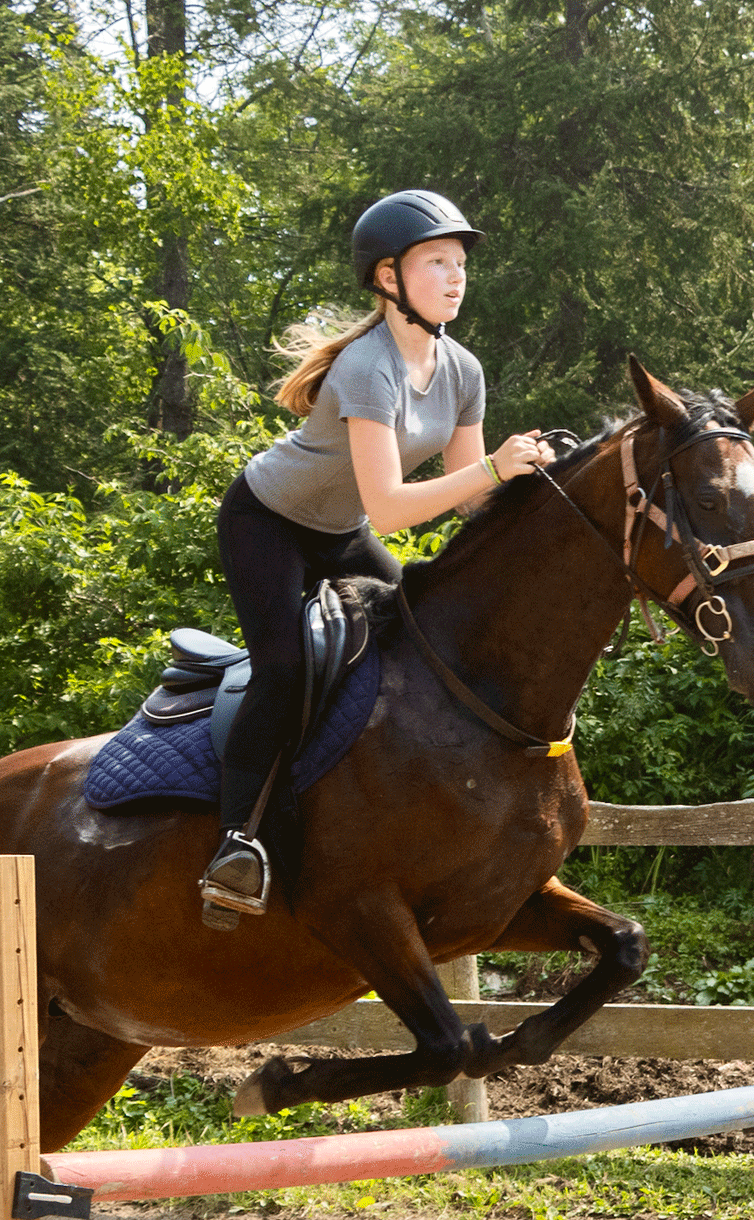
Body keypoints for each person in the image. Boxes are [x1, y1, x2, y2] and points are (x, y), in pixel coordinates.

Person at [200, 188, 556, 928]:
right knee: (285, 667)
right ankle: (238, 844)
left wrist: (539, 484)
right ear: (388, 278)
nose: (456, 277)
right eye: (437, 262)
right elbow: (393, 507)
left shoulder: (463, 369)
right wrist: (494, 466)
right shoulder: (368, 367)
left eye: (460, 264)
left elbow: (469, 503)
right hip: (268, 522)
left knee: (423, 642)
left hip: (339, 532)